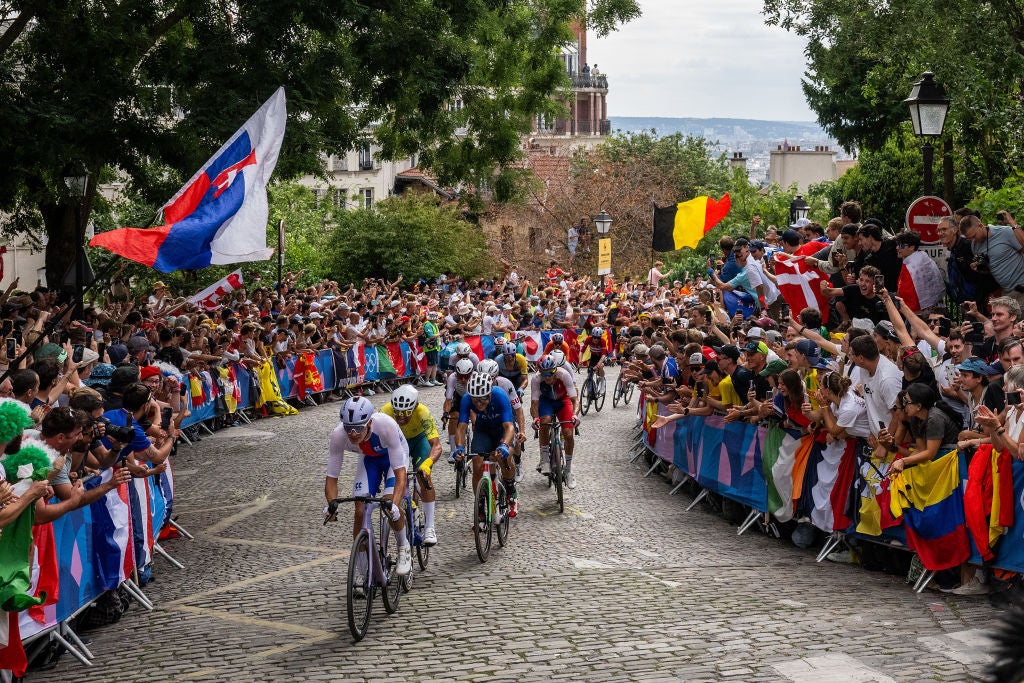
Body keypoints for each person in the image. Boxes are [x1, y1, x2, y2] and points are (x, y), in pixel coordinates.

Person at [324, 397, 411, 576]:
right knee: (360, 510)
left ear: (369, 422)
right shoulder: (338, 435)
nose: (353, 434)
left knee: (389, 505)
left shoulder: (386, 426)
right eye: (348, 428)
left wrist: (394, 505)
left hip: (394, 459)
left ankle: (404, 547)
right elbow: (332, 477)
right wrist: (331, 505)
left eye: (358, 428)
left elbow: (400, 475)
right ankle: (364, 569)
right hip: (369, 459)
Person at [380, 385, 441, 546]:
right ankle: (409, 508)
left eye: (406, 413)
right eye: (397, 412)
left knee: (423, 477)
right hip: (398, 444)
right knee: (397, 480)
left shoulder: (423, 412)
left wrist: (427, 464)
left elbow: (436, 445)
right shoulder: (385, 411)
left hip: (419, 441)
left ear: (415, 407)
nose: (401, 417)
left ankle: (430, 527)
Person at [452, 372, 519, 516]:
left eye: (482, 399)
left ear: (489, 394)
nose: (478, 404)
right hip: (483, 430)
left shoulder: (500, 396)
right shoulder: (466, 399)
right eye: (475, 400)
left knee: (505, 457)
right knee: (477, 464)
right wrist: (459, 447)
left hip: (502, 429)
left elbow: (509, 427)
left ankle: (510, 488)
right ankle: (481, 505)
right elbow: (461, 428)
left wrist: (505, 445)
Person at [530, 354, 579, 485]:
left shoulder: (564, 375)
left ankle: (568, 471)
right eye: (544, 374)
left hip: (563, 401)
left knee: (568, 434)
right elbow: (534, 404)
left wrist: (575, 415)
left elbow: (575, 400)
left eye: (550, 373)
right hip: (546, 402)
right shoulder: (536, 379)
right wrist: (535, 419)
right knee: (544, 422)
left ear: (555, 370)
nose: (547, 377)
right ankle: (545, 460)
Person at [961, 214, 1024, 310]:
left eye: (974, 236)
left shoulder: (1004, 232)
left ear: (980, 226)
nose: (973, 240)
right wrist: (979, 267)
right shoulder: (974, 245)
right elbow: (992, 266)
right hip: (1006, 291)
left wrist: (1013, 223)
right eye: (969, 238)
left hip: (1021, 286)